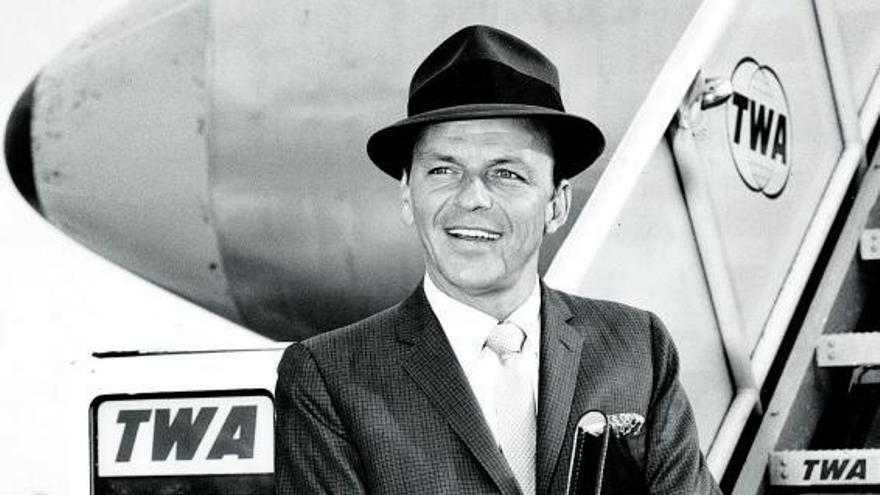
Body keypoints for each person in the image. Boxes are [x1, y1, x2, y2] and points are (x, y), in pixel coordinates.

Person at [275, 25, 721, 495]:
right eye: (444, 170)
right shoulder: (330, 376)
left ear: (557, 204)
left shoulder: (636, 348)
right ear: (408, 194)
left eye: (506, 173)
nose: (472, 198)